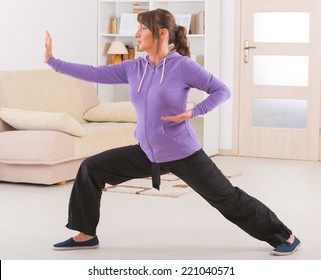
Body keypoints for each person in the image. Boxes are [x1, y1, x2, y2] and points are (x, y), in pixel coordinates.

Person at [45, 8, 300, 256]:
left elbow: (222, 90)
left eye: (142, 28)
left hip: (182, 152)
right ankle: (86, 234)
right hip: (147, 152)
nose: (136, 34)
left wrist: (193, 112)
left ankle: (284, 235)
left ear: (162, 33)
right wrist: (52, 61)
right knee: (91, 168)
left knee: (227, 198)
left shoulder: (182, 66)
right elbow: (94, 73)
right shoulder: (134, 67)